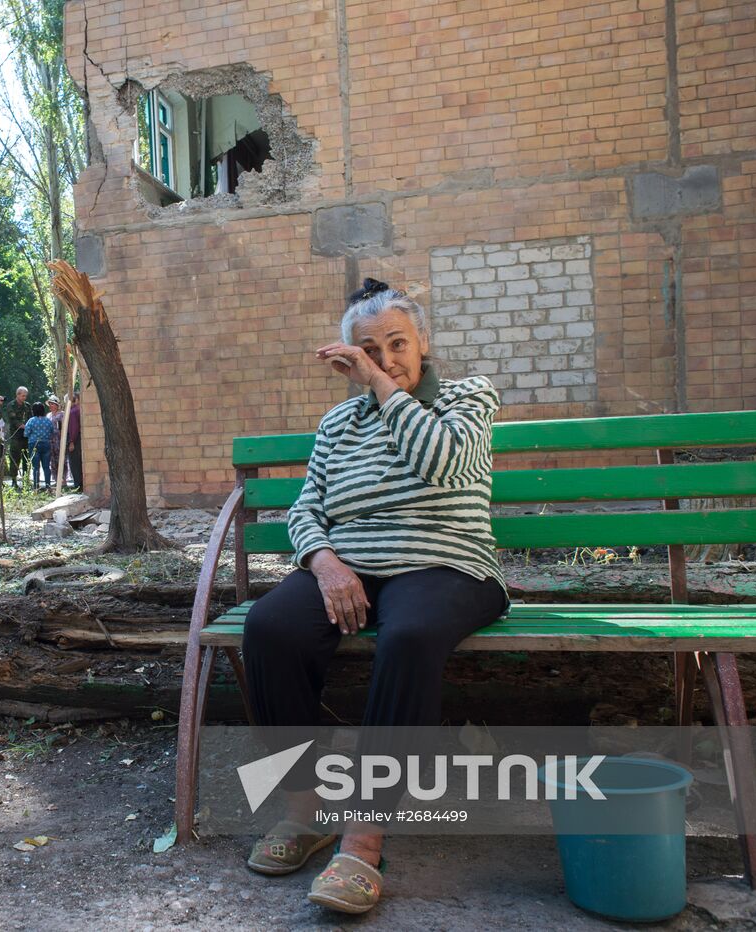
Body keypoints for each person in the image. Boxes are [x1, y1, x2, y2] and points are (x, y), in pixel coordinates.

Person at [240, 280, 507, 915]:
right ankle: (307, 814)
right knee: (269, 627)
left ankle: (364, 838)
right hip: (353, 568)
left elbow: (445, 463)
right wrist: (325, 561)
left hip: (447, 564)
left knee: (409, 636)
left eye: (396, 345)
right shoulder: (338, 422)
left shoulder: (468, 398)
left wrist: (384, 391)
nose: (385, 359)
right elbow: (308, 508)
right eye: (369, 350)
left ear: (424, 345)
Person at [2, 386, 32, 489]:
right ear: (18, 394)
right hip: (16, 436)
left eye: (25, 396)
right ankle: (14, 480)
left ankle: (26, 478)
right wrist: (22, 426)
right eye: (23, 395)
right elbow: (12, 420)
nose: (24, 398)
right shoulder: (11, 405)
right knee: (15, 458)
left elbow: (31, 418)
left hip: (26, 436)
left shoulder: (27, 406)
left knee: (26, 458)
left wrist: (29, 427)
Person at [22, 402, 54, 492]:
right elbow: (53, 431)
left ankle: (36, 487)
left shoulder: (31, 421)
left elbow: (26, 433)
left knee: (35, 467)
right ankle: (48, 486)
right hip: (46, 444)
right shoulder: (48, 420)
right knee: (46, 466)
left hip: (34, 444)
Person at [65, 392, 82, 491]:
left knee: (74, 463)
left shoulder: (72, 412)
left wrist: (71, 442)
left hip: (75, 440)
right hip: (79, 439)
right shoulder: (80, 410)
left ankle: (78, 485)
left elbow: (73, 428)